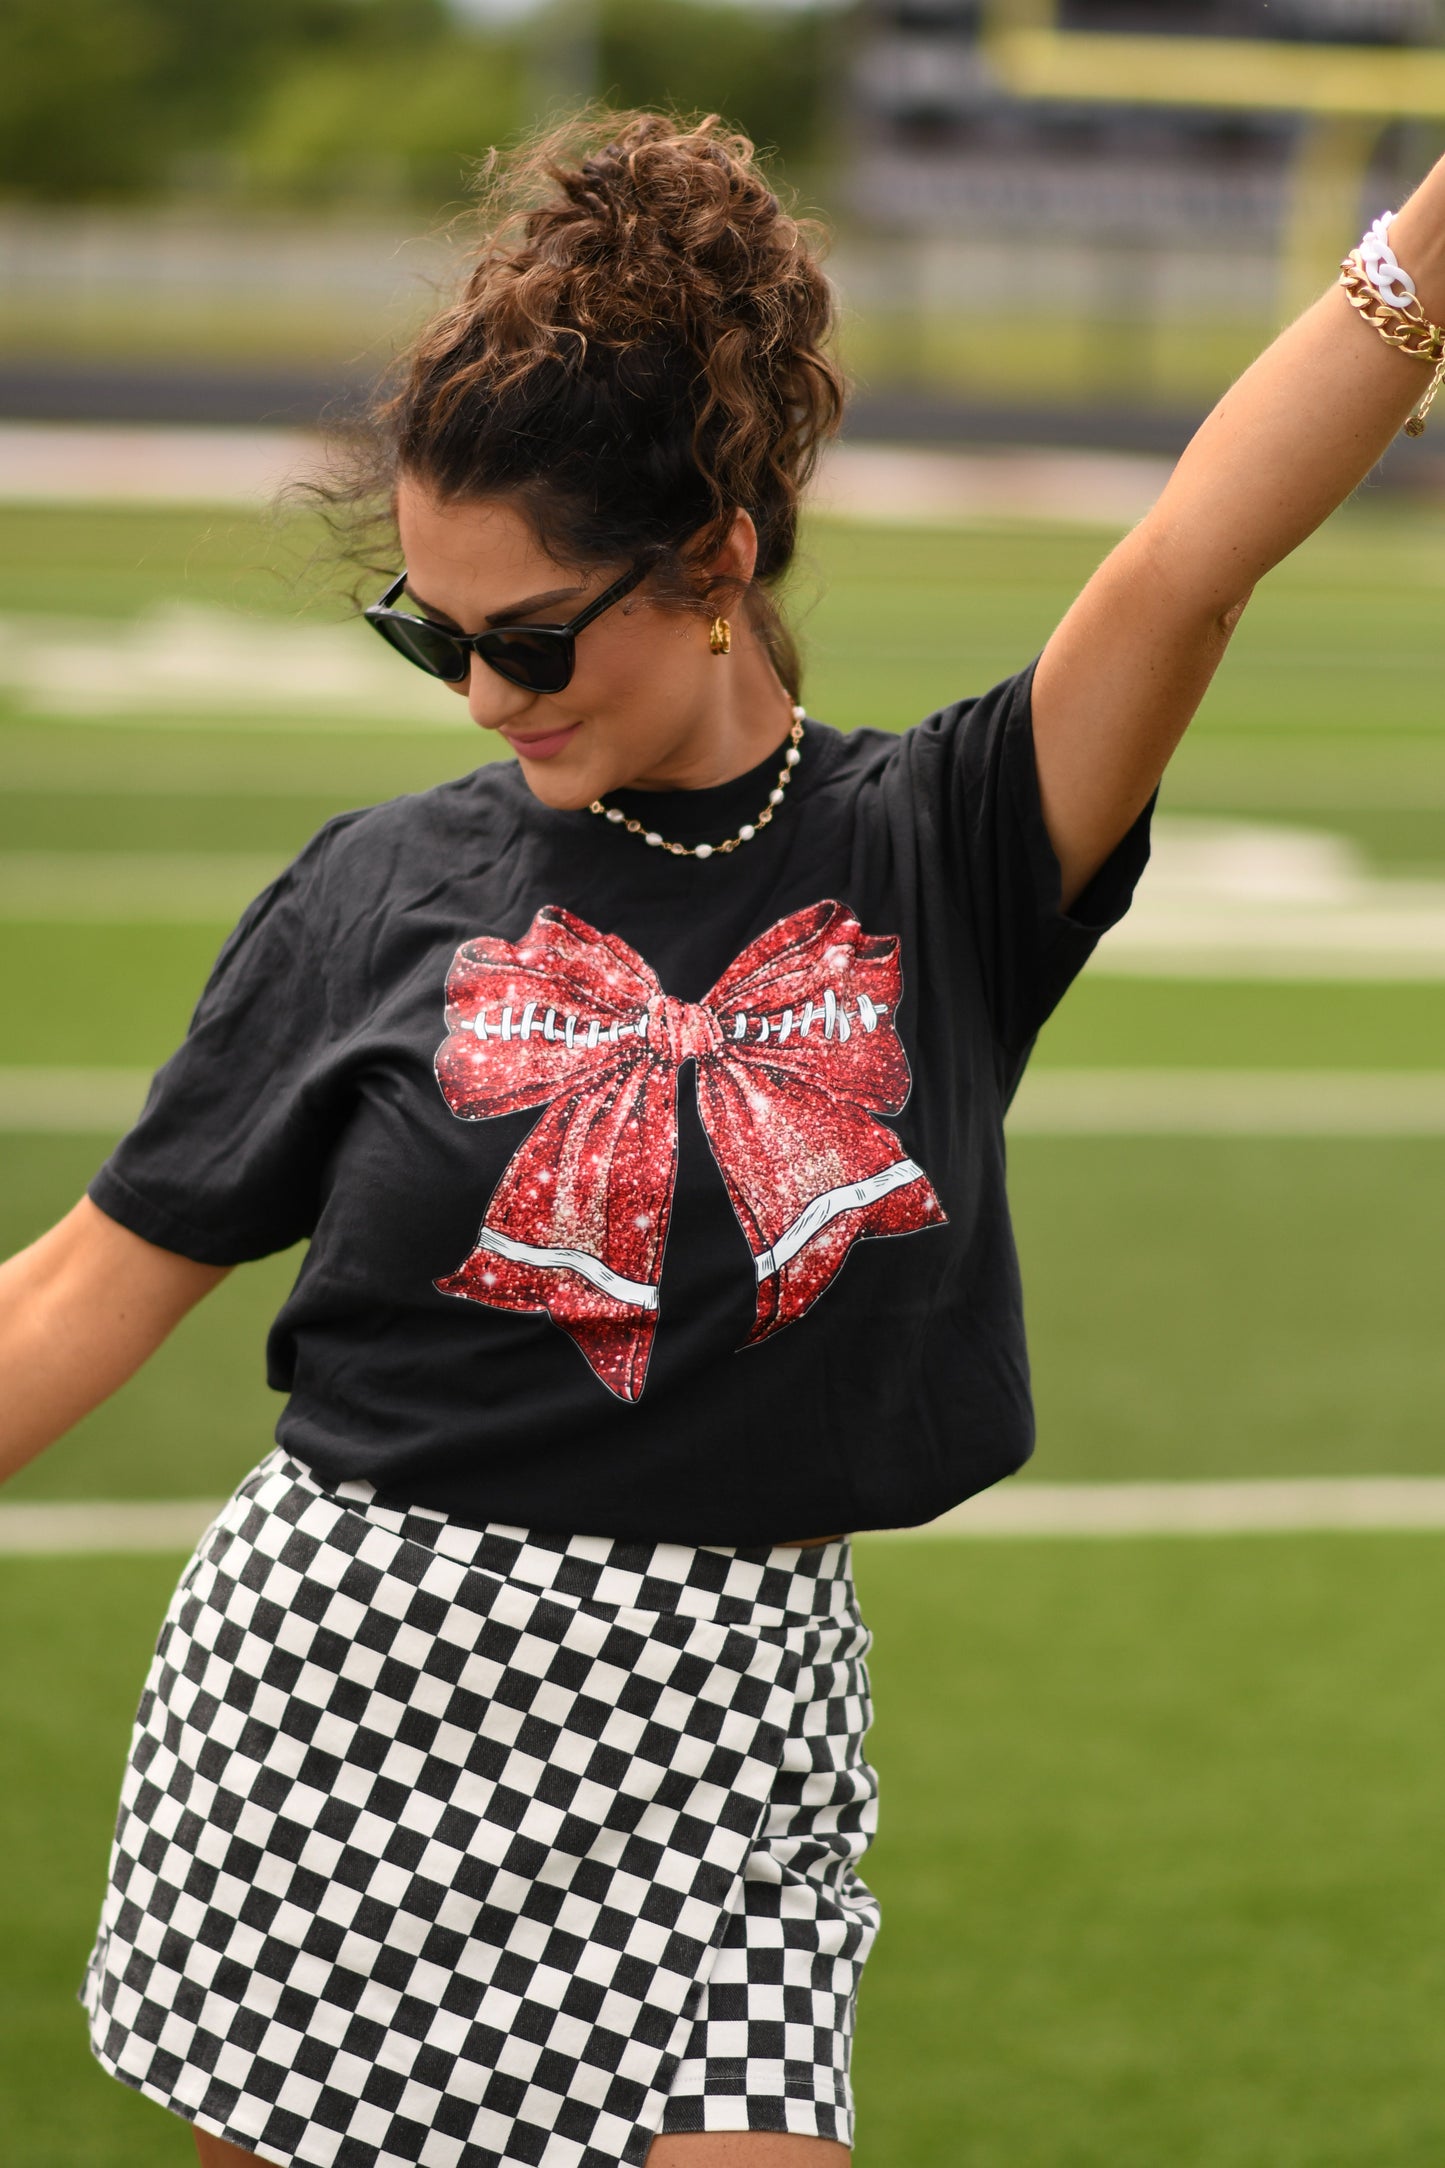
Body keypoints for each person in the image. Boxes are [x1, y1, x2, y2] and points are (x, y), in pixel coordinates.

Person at [3, 105, 1443, 2168]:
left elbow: (1192, 557)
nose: (481, 695)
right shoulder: (374, 892)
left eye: (525, 635)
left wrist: (1429, 239)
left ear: (715, 563)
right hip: (349, 1705)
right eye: (429, 633)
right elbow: (77, 1283)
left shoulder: (945, 845)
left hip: (729, 1730)